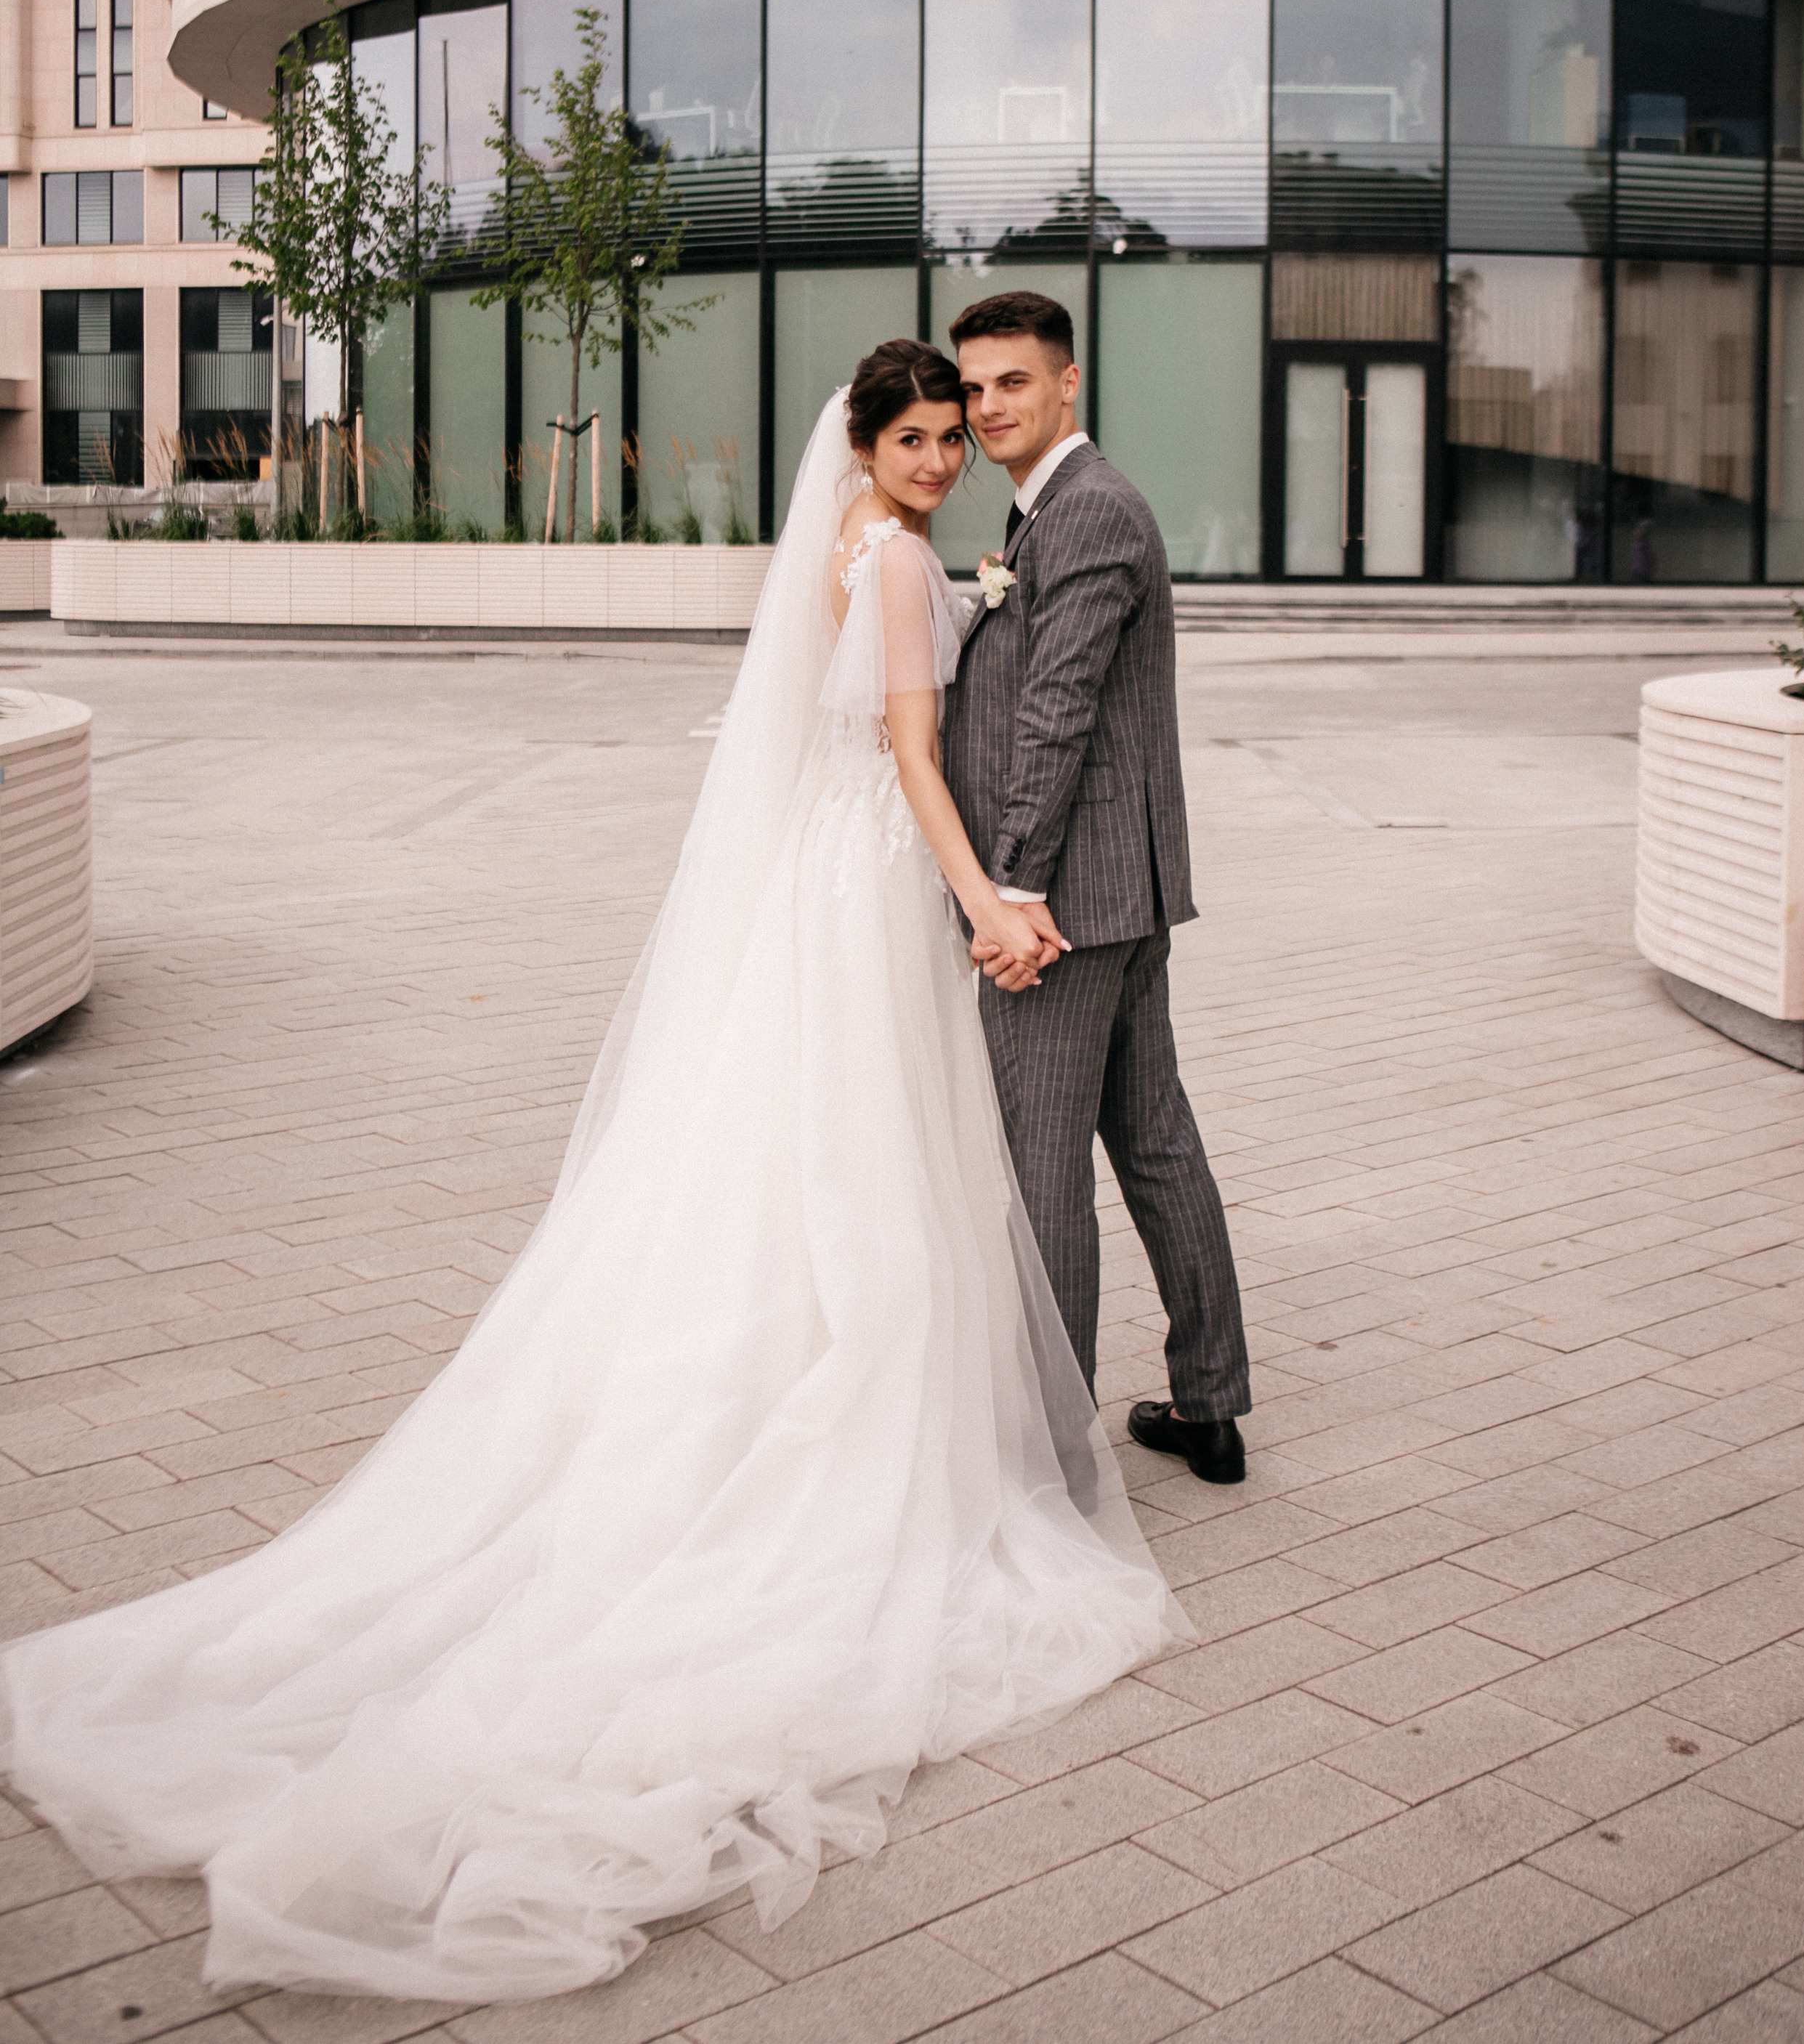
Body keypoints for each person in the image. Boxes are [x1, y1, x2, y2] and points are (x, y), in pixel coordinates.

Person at [0, 340, 1185, 2006]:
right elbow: (917, 760)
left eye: (949, 433)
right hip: (879, 889)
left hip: (806, 891)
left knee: (785, 1161)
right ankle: (887, 1426)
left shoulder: (847, 542)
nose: (936, 456)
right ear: (871, 444)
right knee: (878, 1174)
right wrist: (989, 898)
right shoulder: (907, 559)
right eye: (915, 435)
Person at [943, 291, 1251, 1486]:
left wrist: (1008, 893)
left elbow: (1054, 715)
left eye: (1010, 382)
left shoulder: (1086, 513)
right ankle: (1207, 1404)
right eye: (972, 388)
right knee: (1155, 1142)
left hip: (1063, 908)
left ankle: (1048, 1450)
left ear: (1067, 384)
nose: (985, 408)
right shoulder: (1054, 513)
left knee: (1043, 1168)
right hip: (1115, 894)